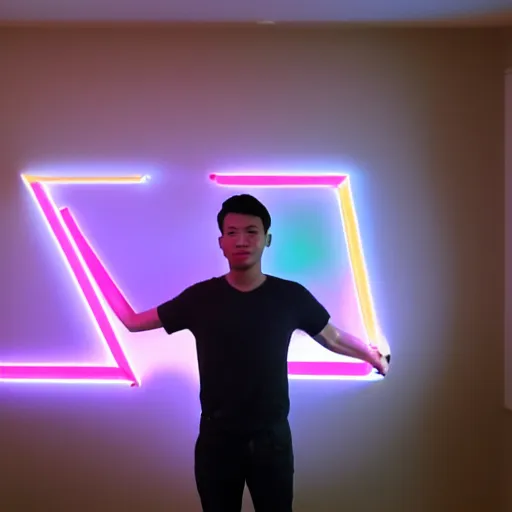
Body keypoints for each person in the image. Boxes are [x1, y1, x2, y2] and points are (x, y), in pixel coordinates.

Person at [100, 194, 390, 512]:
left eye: (251, 231)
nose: (241, 240)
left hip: (272, 439)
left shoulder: (290, 296)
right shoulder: (201, 298)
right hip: (217, 439)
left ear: (267, 239)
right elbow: (132, 322)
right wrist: (94, 268)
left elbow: (331, 337)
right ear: (221, 242)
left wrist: (371, 355)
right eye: (232, 232)